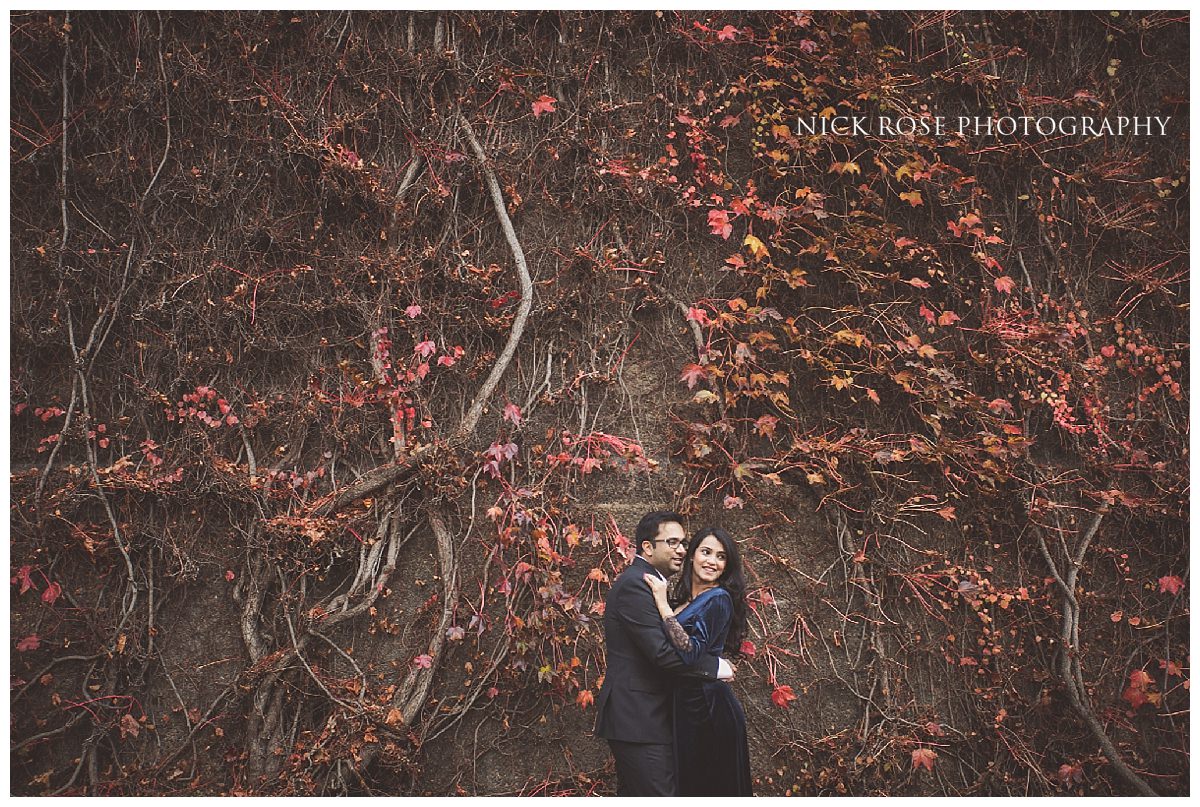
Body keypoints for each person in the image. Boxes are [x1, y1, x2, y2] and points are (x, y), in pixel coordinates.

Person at [594, 511, 735, 796]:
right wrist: (716, 668)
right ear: (648, 547)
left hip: (649, 717)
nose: (682, 550)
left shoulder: (656, 587)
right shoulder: (636, 585)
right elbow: (661, 654)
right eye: (673, 542)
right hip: (638, 718)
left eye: (684, 543)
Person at [643, 526, 753, 796]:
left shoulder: (718, 598)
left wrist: (662, 604)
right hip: (687, 705)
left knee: (709, 787)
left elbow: (690, 652)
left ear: (727, 566)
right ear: (692, 555)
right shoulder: (685, 601)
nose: (712, 562)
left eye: (721, 557)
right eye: (706, 552)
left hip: (708, 707)